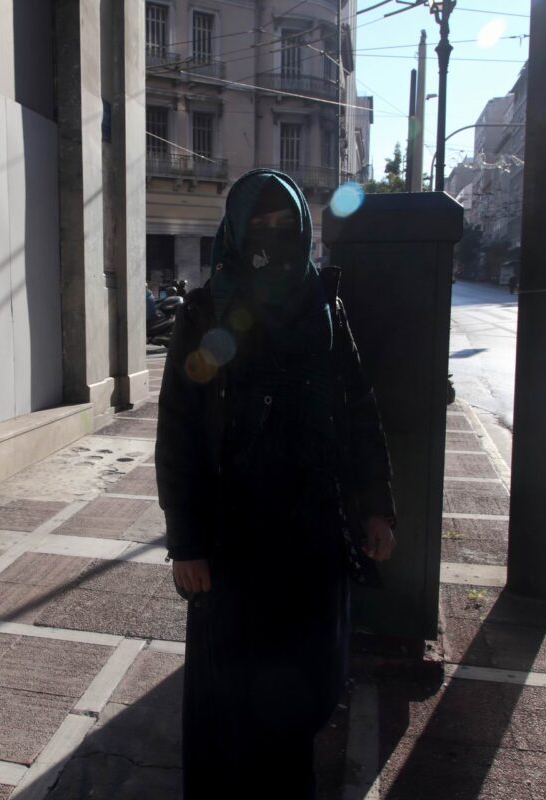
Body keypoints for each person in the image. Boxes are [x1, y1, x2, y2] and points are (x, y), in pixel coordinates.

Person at [156, 169, 396, 798]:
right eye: (258, 225)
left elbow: (358, 411)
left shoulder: (324, 307)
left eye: (284, 225)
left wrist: (377, 508)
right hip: (232, 543)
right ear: (235, 233)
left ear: (304, 229)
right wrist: (186, 543)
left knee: (301, 695)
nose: (272, 237)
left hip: (311, 541)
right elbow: (179, 433)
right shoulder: (206, 313)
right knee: (230, 701)